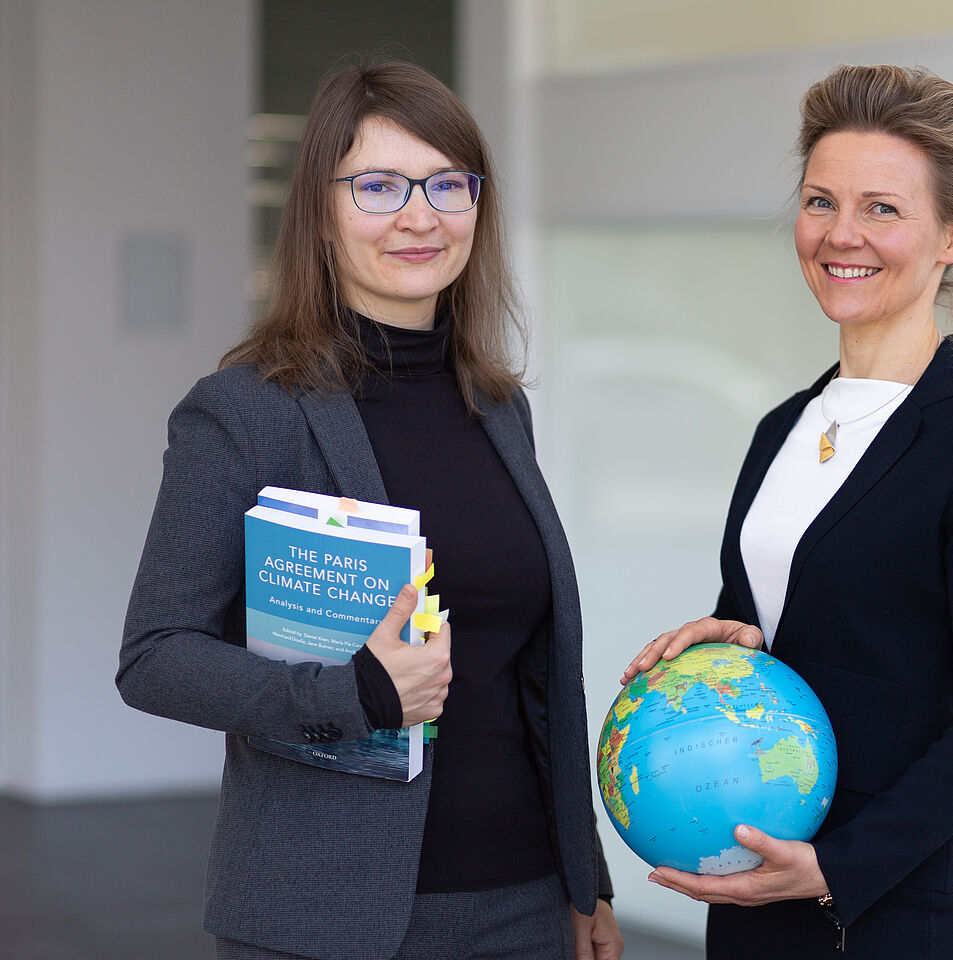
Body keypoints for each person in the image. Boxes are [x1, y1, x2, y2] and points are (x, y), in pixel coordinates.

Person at [118, 60, 622, 960]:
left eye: (447, 185)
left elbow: (536, 674)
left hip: (525, 904)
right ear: (319, 209)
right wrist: (351, 693)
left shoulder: (500, 410)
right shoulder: (246, 410)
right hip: (326, 914)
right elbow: (155, 659)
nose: (420, 216)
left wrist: (586, 883)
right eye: (379, 186)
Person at [622, 64, 953, 959]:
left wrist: (838, 867)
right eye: (821, 201)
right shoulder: (786, 426)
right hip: (749, 887)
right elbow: (807, 626)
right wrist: (740, 635)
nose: (841, 235)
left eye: (882, 209)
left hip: (886, 908)